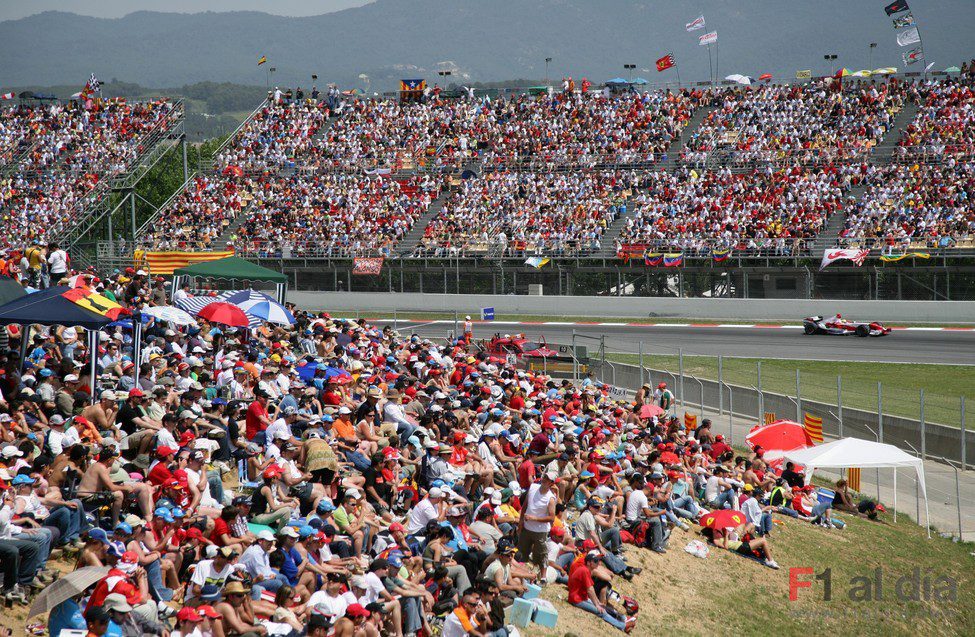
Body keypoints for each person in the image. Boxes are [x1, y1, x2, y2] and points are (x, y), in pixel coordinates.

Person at [567, 552, 635, 633]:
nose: (598, 562)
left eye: (598, 560)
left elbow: (591, 589)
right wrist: (597, 605)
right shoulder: (584, 570)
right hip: (576, 600)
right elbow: (590, 590)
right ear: (589, 563)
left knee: (602, 607)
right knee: (600, 611)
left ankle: (623, 620)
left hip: (581, 597)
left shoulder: (586, 569)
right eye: (595, 561)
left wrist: (598, 603)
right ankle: (623, 626)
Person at [517, 470, 558, 577]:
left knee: (542, 554)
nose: (544, 480)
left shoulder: (551, 498)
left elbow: (551, 517)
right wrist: (521, 521)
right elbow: (525, 505)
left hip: (540, 531)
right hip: (527, 527)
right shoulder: (533, 487)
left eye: (548, 479)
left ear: (551, 483)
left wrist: (534, 518)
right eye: (544, 477)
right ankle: (522, 573)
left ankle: (543, 576)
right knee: (522, 551)